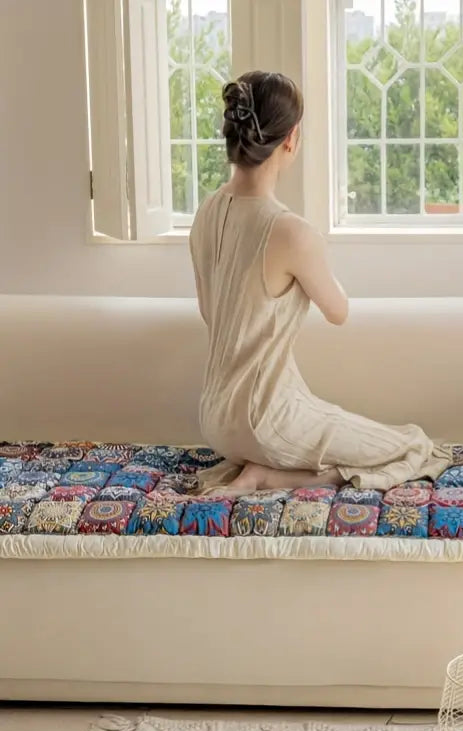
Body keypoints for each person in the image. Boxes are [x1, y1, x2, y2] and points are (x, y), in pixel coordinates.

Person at [190, 71, 449, 493]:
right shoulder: (290, 231)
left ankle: (259, 469)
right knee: (414, 445)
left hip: (215, 418)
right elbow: (338, 311)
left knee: (359, 430)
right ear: (291, 139)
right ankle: (268, 476)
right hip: (266, 419)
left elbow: (209, 312)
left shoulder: (207, 212)